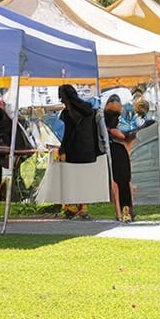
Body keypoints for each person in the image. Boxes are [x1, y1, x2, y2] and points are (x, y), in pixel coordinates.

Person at [57, 84, 100, 219]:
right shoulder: (89, 110)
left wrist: (62, 149)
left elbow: (67, 134)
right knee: (84, 179)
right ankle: (83, 207)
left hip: (73, 150)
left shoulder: (67, 113)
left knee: (72, 180)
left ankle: (73, 207)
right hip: (88, 150)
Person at [105, 95, 136, 222]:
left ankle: (121, 211)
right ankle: (126, 210)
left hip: (114, 150)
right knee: (123, 181)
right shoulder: (121, 121)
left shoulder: (106, 120)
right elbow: (126, 136)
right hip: (118, 150)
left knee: (119, 182)